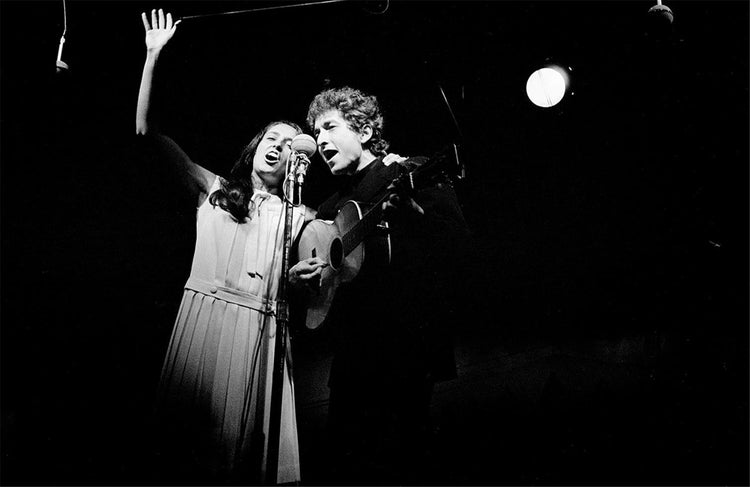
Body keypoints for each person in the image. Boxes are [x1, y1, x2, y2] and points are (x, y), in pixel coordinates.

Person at [136, 9, 309, 483]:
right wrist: (153, 57)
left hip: (264, 331)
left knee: (247, 457)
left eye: (290, 145)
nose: (278, 146)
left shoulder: (300, 216)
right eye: (272, 138)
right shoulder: (212, 188)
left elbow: (337, 242)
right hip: (206, 324)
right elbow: (148, 135)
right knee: (191, 456)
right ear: (255, 146)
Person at [290, 86, 469, 483]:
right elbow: (322, 281)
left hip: (404, 350)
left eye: (330, 127)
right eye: (316, 133)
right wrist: (305, 280)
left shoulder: (407, 171)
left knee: (403, 461)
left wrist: (415, 214)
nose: (320, 140)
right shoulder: (329, 208)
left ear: (366, 131)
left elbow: (459, 245)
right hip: (351, 356)